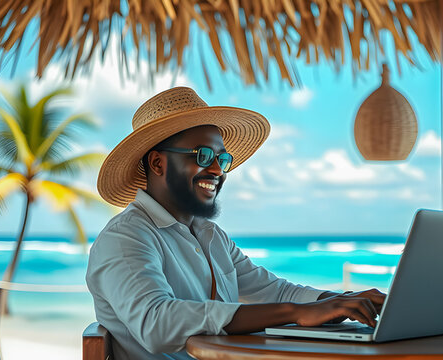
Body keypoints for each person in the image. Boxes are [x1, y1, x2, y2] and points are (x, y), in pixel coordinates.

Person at [87, 87, 386, 360]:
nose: (218, 170)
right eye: (203, 156)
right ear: (157, 164)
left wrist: (346, 301)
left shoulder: (209, 235)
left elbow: (274, 291)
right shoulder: (126, 237)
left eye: (222, 158)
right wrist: (298, 312)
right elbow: (157, 323)